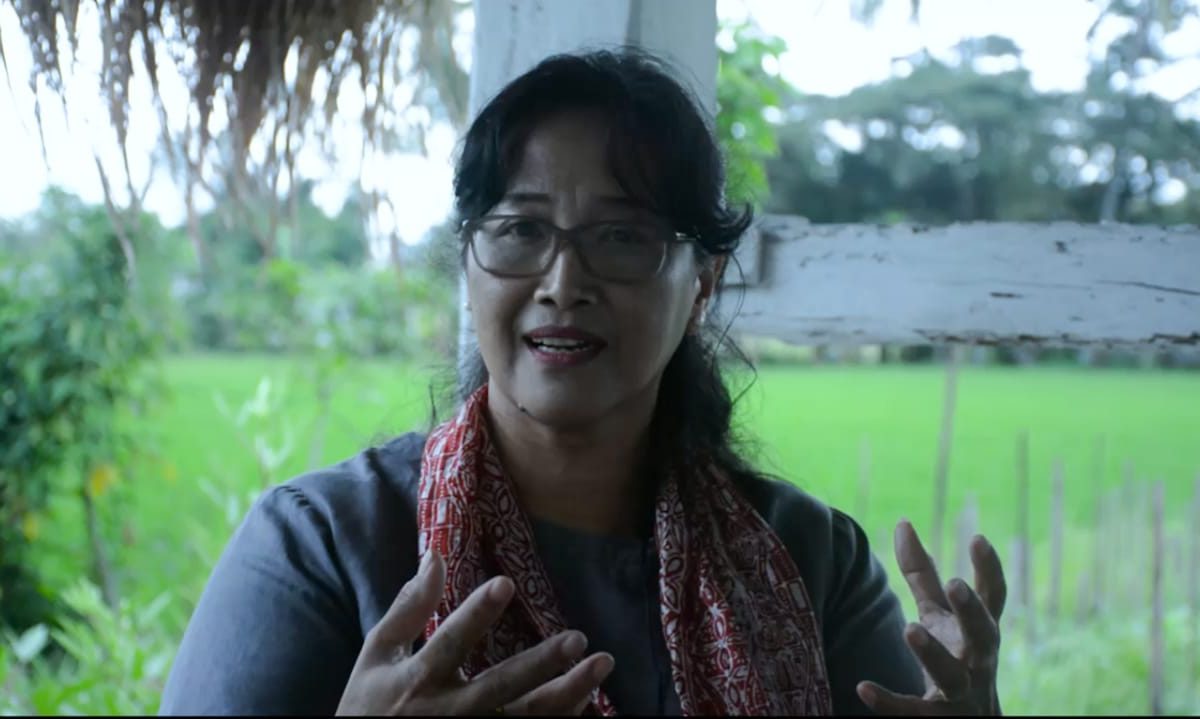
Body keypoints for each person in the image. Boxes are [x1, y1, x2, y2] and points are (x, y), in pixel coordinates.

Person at [159, 48, 1007, 716]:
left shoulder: (812, 561)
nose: (563, 281)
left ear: (701, 284)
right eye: (521, 230)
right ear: (470, 265)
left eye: (622, 237)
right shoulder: (319, 545)